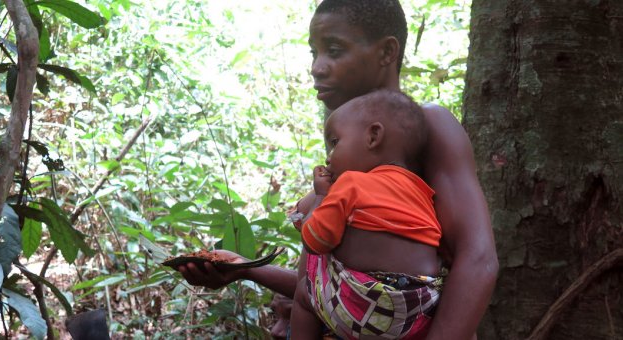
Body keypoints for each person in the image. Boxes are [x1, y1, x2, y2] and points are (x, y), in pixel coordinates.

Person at [178, 1, 498, 339]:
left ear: (387, 52)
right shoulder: (351, 150)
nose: (317, 68)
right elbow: (345, 287)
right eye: (313, 53)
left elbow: (477, 260)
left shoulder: (430, 125)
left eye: (334, 50)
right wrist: (244, 270)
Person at [290, 90, 443, 339]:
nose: (329, 158)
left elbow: (315, 241)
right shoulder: (424, 192)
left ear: (373, 136)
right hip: (419, 311)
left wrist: (321, 196)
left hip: (366, 308)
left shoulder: (351, 183)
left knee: (304, 290)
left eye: (335, 142)